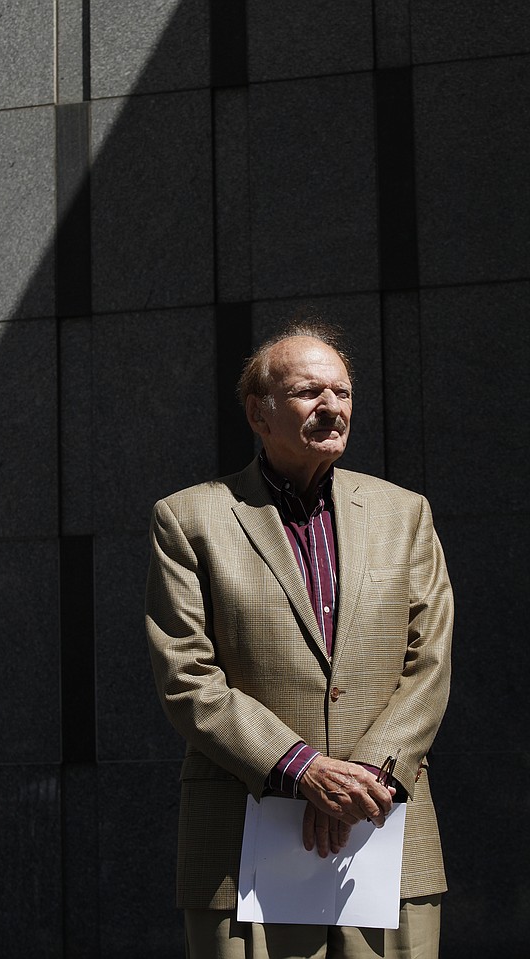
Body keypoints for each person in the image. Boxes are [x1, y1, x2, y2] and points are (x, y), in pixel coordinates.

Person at [145, 321, 453, 959]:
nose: (333, 407)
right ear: (259, 413)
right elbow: (188, 677)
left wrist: (361, 778)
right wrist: (302, 769)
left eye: (342, 392)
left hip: (381, 828)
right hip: (242, 838)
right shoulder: (191, 519)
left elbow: (430, 666)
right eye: (310, 392)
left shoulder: (406, 514)